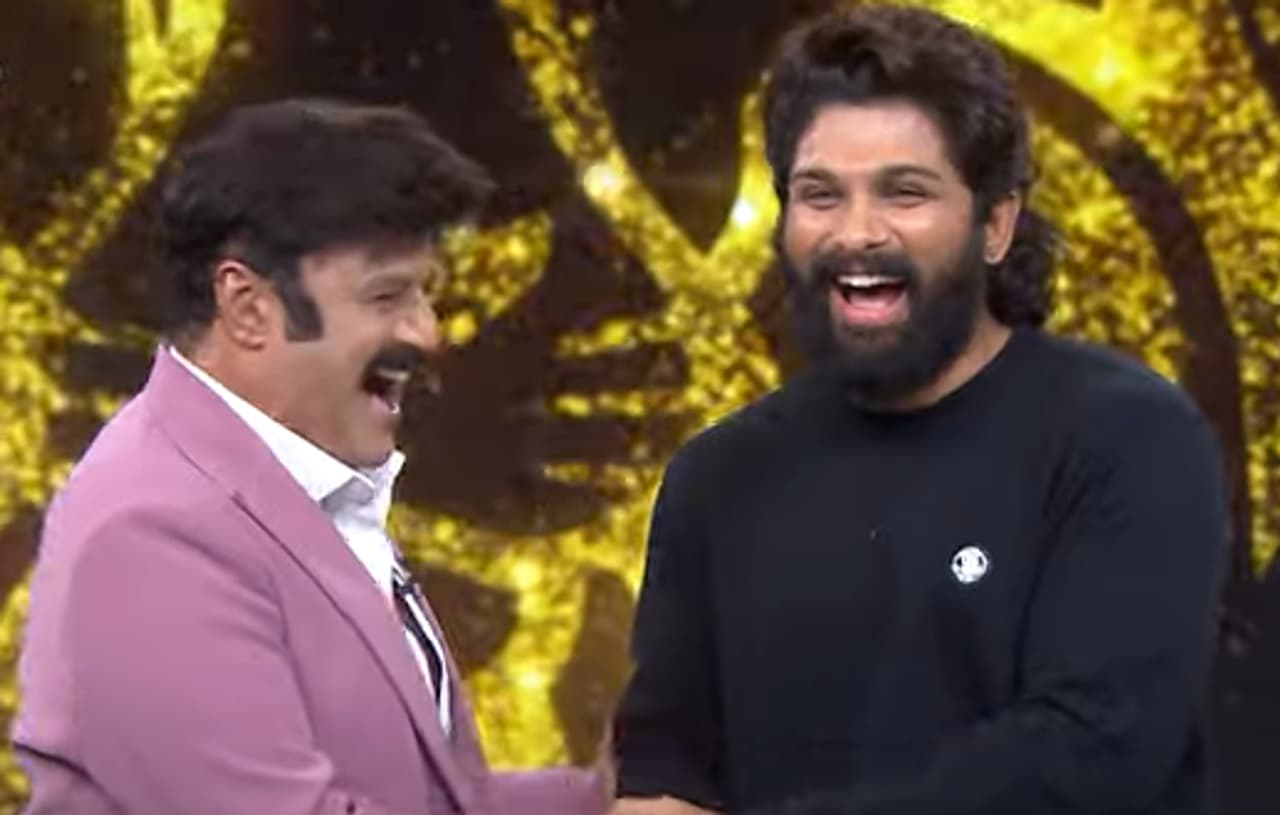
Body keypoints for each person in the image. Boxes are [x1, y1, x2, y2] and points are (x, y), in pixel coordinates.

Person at [610, 6, 1227, 815]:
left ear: (996, 223)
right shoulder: (716, 475)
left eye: (904, 193)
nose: (857, 233)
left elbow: (1087, 757)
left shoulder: (1127, 437)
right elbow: (663, 766)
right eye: (820, 195)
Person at [14, 98, 607, 815]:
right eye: (387, 296)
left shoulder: (290, 489)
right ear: (248, 307)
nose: (427, 333)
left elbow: (424, 799)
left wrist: (607, 799)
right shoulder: (151, 532)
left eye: (425, 294)